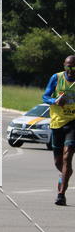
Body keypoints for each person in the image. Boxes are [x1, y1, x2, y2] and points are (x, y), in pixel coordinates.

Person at [42, 54, 75, 205]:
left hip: (73, 123)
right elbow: (45, 96)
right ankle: (65, 173)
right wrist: (55, 100)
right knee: (58, 162)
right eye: (68, 66)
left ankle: (61, 195)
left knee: (67, 158)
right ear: (64, 66)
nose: (71, 70)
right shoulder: (56, 78)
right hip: (57, 124)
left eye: (74, 67)